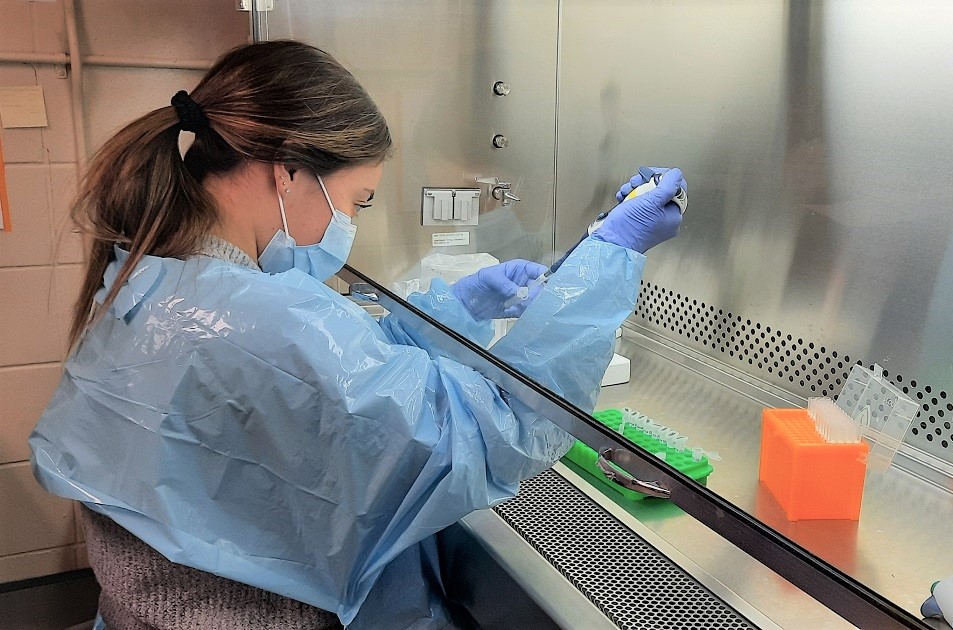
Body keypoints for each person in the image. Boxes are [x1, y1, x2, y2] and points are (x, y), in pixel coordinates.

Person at [27, 40, 686, 629]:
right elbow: (498, 430)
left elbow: (331, 385)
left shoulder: (148, 278)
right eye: (356, 199)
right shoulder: (255, 318)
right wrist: (609, 256)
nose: (350, 224)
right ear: (286, 168)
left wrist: (455, 308)